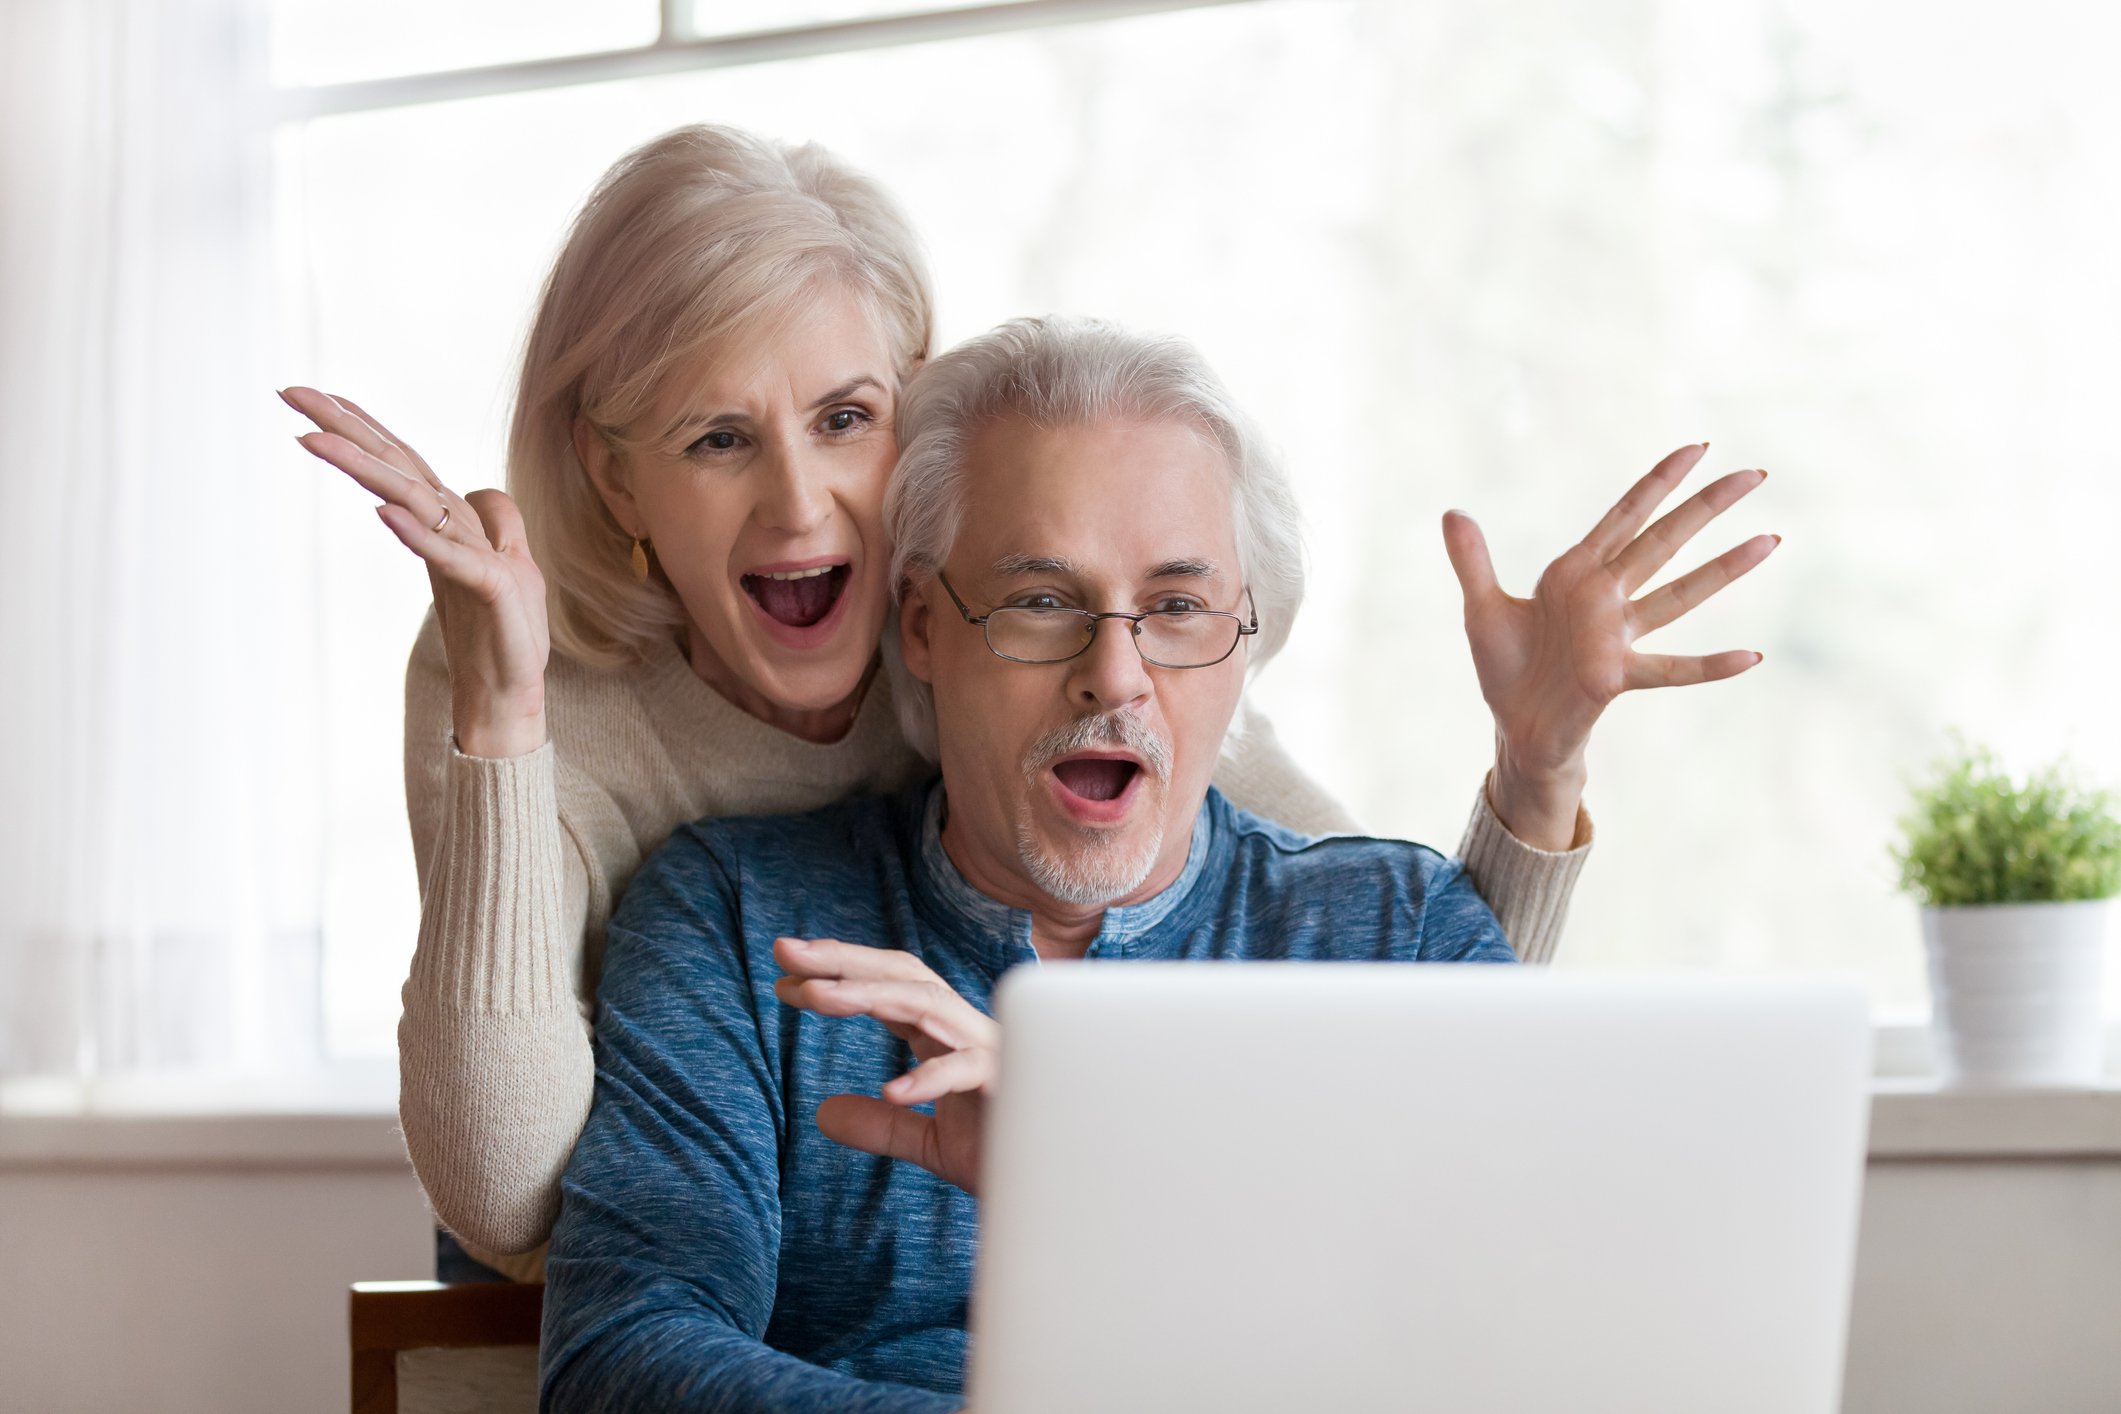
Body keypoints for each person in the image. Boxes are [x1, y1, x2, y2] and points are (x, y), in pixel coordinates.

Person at [283, 128, 1613, 1280]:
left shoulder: (1048, 627)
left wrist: (1537, 778)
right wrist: (506, 718)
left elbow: (1365, 953)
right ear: (616, 479)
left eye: (847, 417)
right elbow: (511, 1197)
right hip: (609, 1238)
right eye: (717, 438)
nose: (800, 505)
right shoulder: (530, 672)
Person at [538, 316, 1774, 1411]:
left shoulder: (1394, 933)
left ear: (1244, 643)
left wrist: (1100, 1174)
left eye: (1178, 609)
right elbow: (615, 1362)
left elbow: (1527, 1349)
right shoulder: (739, 920)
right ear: (922, 626)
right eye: (1038, 600)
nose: (1116, 673)